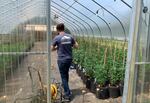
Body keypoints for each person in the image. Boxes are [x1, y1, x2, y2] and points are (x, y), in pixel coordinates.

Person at [51, 23, 78, 101]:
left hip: (61, 59)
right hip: (69, 59)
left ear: (57, 29)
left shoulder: (57, 38)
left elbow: (51, 49)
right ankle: (65, 86)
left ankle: (67, 94)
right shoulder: (70, 36)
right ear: (64, 28)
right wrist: (74, 43)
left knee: (63, 76)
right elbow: (76, 46)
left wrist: (57, 47)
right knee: (66, 74)